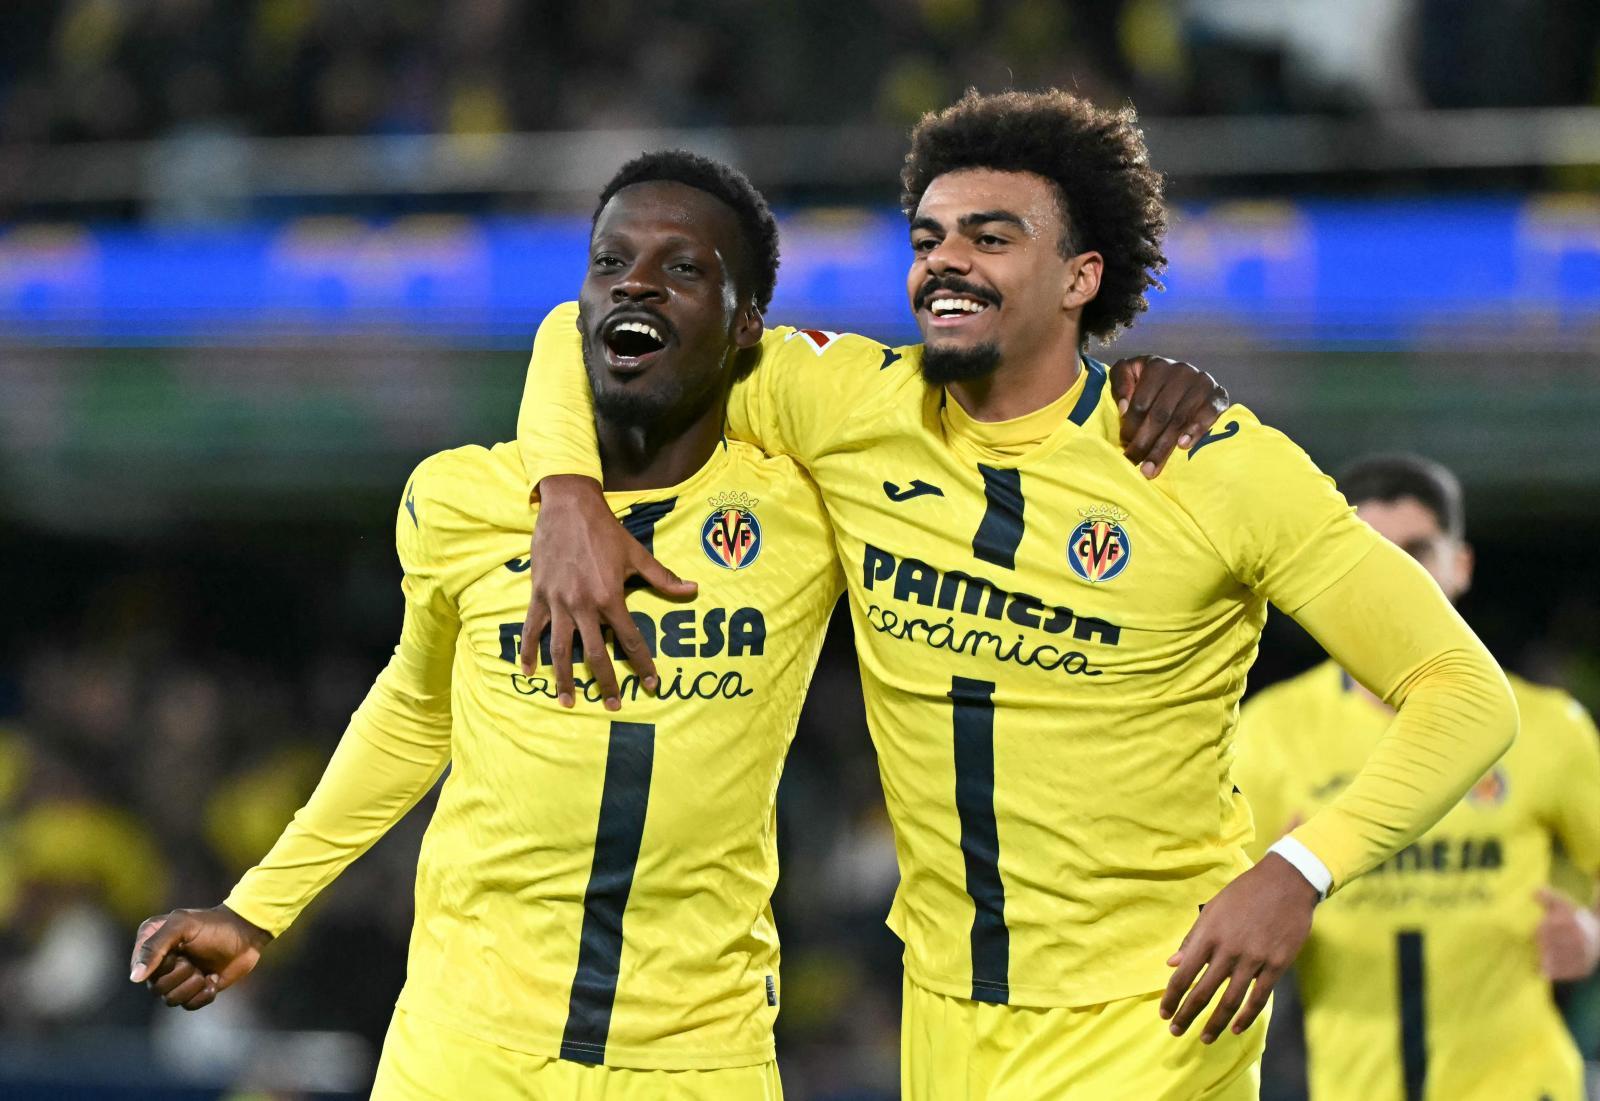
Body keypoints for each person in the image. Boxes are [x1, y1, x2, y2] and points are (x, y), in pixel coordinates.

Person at [125, 150, 1224, 1098]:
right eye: (611, 265)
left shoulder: (807, 502)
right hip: (462, 1046)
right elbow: (416, 713)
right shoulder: (457, 498)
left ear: (748, 327)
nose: (633, 287)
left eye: (684, 269)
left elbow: (1000, 410)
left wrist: (1122, 383)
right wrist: (259, 907)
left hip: (696, 1055)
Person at [515, 89, 1519, 1099]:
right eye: (929, 237)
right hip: (943, 1012)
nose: (947, 260)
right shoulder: (846, 402)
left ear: (1081, 276)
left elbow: (1460, 691)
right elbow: (583, 328)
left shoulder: (1206, 463)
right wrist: (565, 492)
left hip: (1152, 1013)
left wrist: (1298, 871)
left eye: (992, 238)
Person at [1234, 453, 1600, 1101]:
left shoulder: (1549, 727)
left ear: (1460, 566)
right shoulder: (1271, 731)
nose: (1394, 577)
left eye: (1418, 551)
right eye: (1371, 553)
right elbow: (1205, 906)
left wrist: (1594, 935)